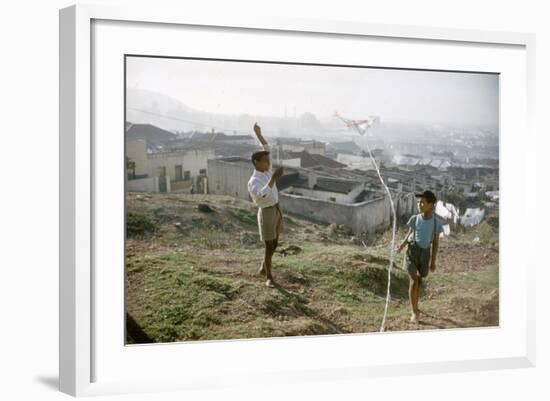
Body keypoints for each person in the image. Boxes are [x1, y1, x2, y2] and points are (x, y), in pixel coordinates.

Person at [396, 190, 444, 324]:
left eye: (422, 202)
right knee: (413, 281)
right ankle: (414, 312)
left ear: (431, 205)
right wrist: (401, 245)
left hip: (425, 254)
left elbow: (435, 243)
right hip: (412, 251)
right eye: (418, 203)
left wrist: (433, 261)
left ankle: (416, 303)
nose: (419, 205)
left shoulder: (436, 223)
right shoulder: (415, 218)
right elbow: (410, 234)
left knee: (419, 280)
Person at [247, 123, 284, 288]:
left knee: (275, 242)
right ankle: (269, 277)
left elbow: (266, 147)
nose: (269, 163)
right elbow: (262, 194)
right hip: (266, 212)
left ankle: (264, 267)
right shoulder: (254, 181)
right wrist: (274, 179)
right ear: (256, 163)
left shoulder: (266, 171)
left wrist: (259, 135)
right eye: (265, 161)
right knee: (269, 245)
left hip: (275, 209)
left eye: (268, 160)